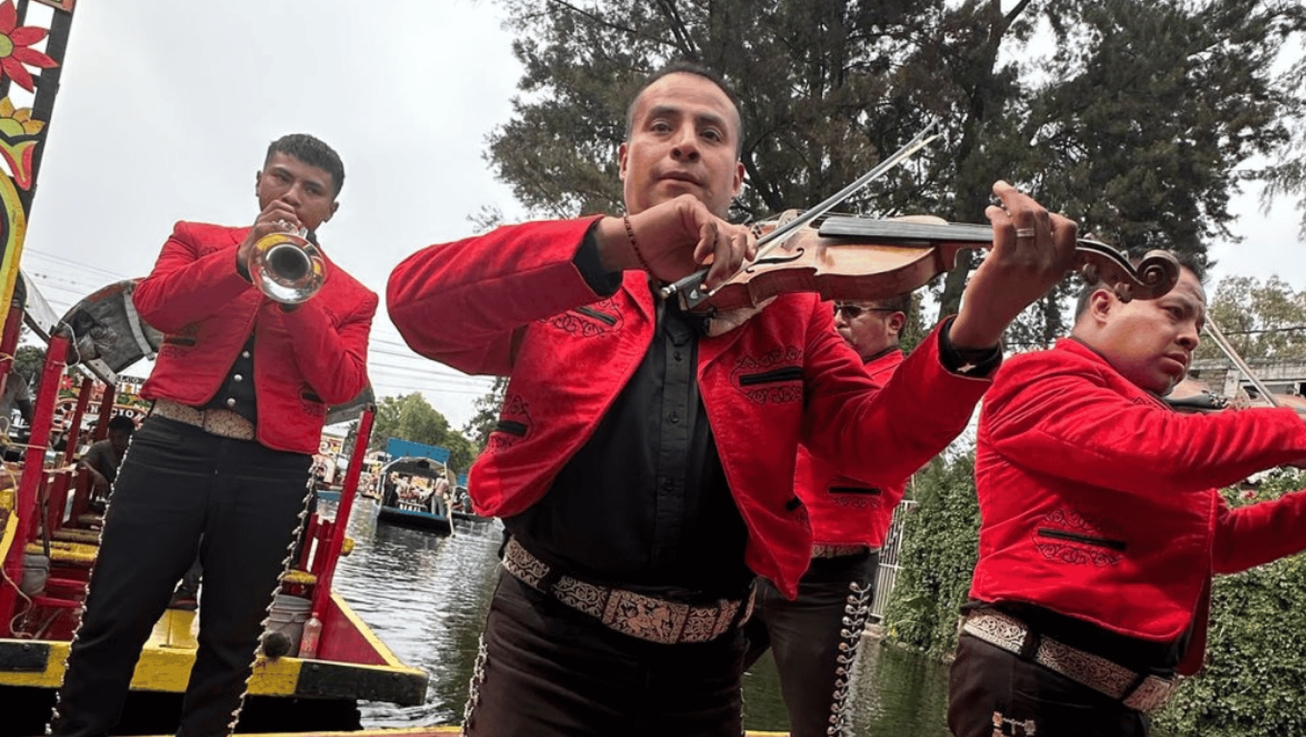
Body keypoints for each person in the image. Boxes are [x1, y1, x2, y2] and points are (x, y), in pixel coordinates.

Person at [387, 59, 1077, 736]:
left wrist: (976, 329)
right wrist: (616, 244)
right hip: (545, 653)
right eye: (664, 126)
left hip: (706, 672)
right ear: (624, 157)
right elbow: (417, 306)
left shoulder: (790, 306)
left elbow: (875, 444)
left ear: (736, 176)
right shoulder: (563, 273)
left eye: (710, 133)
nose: (687, 141)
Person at [948, 259, 1306, 737]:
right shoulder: (1038, 377)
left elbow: (1221, 541)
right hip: (1036, 680)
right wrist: (1286, 427)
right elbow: (1160, 449)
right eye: (1175, 313)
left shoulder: (1157, 420)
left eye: (1198, 324)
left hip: (1104, 703)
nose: (1192, 336)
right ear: (1103, 304)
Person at [51, 134, 376, 737]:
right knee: (110, 622)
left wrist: (297, 293)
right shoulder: (196, 239)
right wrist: (241, 259)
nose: (293, 195)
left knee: (232, 641)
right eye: (282, 178)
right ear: (258, 182)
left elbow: (339, 383)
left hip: (272, 471)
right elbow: (156, 307)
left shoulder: (354, 297)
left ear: (330, 209)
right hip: (172, 446)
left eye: (313, 190)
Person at [742, 294, 912, 736]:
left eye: (853, 311)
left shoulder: (903, 386)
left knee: (819, 724)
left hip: (829, 581)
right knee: (691, 694)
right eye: (836, 309)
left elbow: (867, 436)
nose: (838, 320)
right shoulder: (813, 365)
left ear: (895, 323)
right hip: (756, 563)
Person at [78, 414, 136, 500]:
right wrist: (95, 474)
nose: (115, 442)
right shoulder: (101, 447)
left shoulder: (138, 453)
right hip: (102, 499)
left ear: (131, 436)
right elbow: (83, 463)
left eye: (120, 438)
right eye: (112, 437)